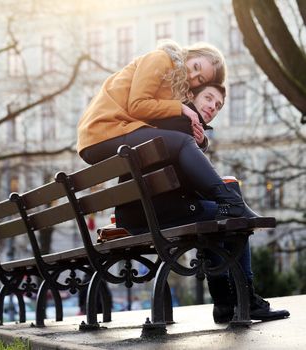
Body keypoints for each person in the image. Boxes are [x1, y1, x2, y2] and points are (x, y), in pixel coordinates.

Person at [145, 82, 290, 322]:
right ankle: (245, 300)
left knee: (220, 211)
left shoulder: (177, 123)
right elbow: (193, 184)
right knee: (235, 217)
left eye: (218, 105)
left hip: (157, 209)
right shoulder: (182, 124)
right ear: (191, 96)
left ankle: (224, 303)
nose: (213, 106)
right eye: (208, 98)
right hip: (166, 211)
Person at [77, 40, 253, 220]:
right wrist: (181, 108)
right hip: (104, 130)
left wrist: (202, 142)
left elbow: (165, 127)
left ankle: (230, 203)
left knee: (179, 143)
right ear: (190, 55)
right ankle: (232, 201)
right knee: (182, 143)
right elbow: (137, 106)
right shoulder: (161, 59)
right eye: (195, 66)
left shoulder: (173, 85)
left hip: (108, 134)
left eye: (200, 79)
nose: (192, 75)